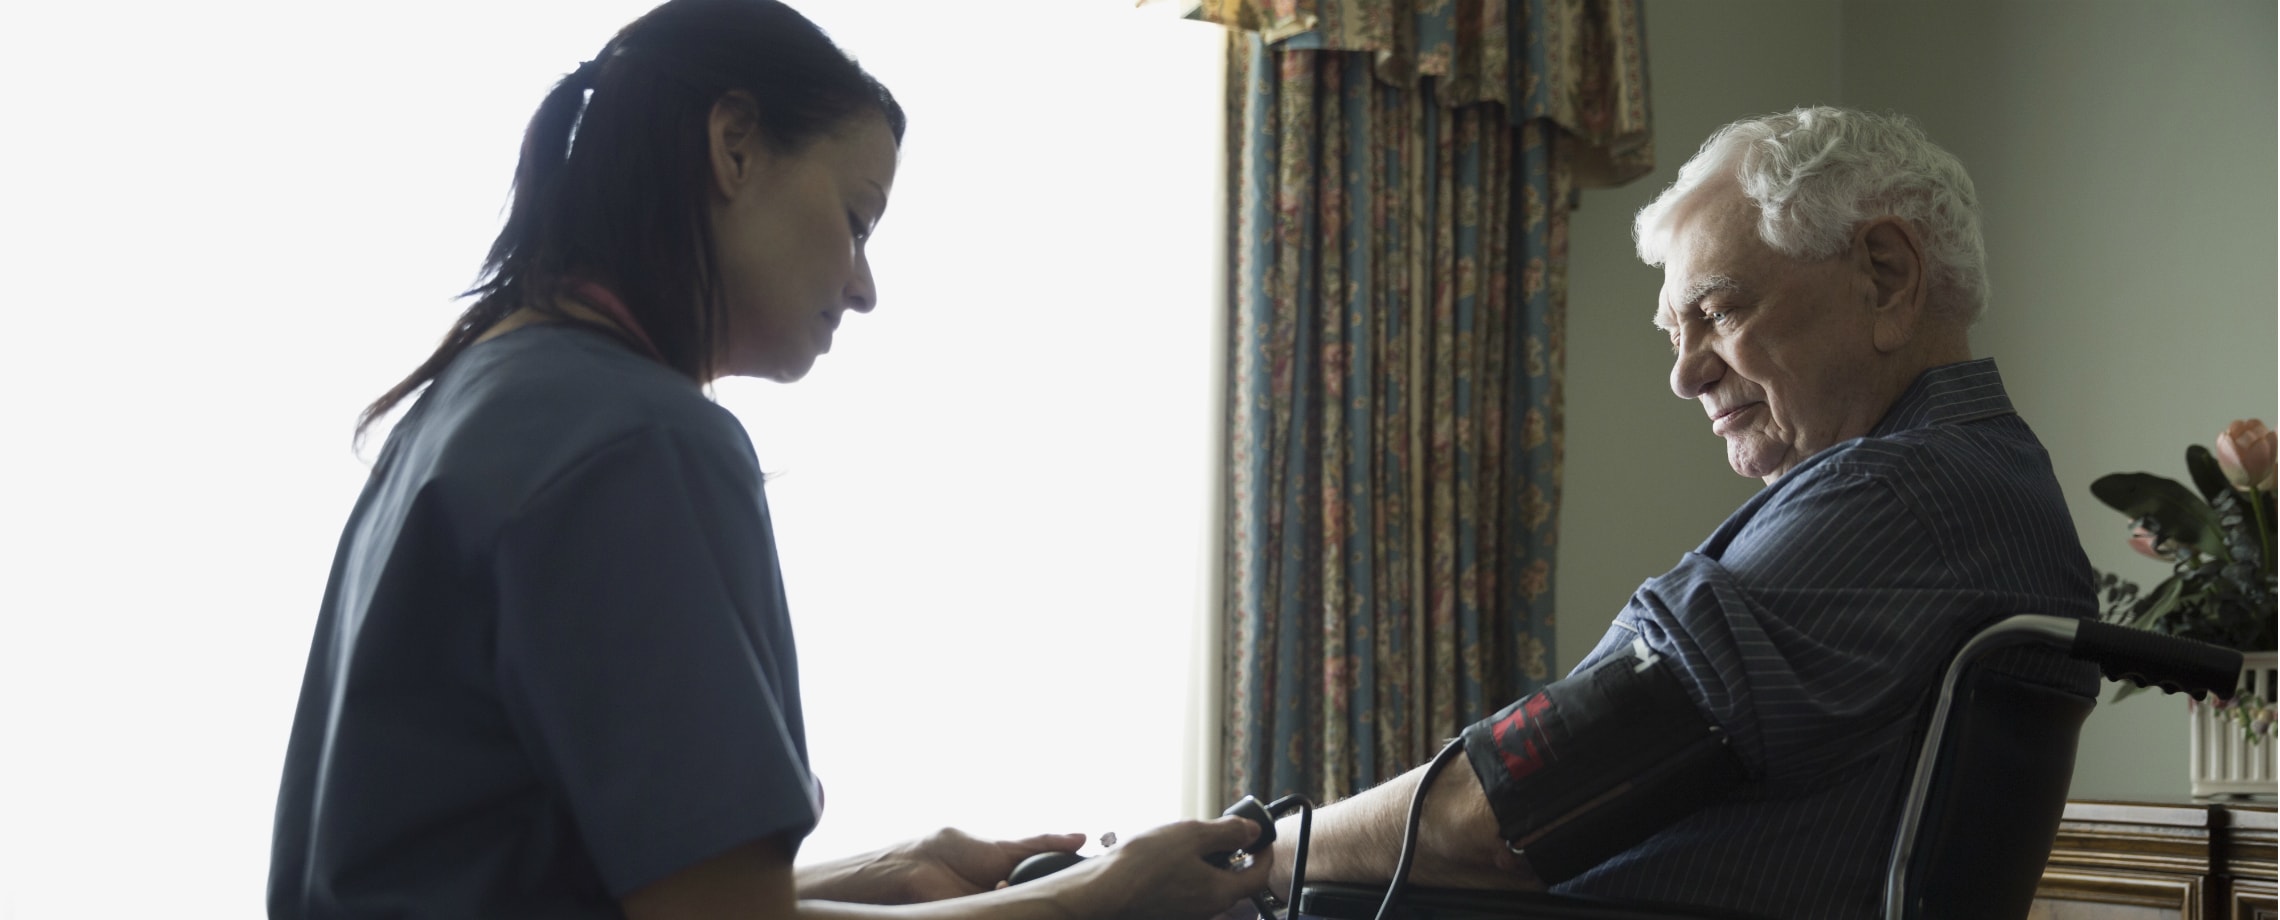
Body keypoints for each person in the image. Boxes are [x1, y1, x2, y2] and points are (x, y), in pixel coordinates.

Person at [265, 2, 1270, 918]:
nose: (865, 284)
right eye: (857, 219)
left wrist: (892, 868)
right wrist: (1102, 900)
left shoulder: (481, 398)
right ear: (735, 145)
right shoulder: (641, 439)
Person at [1266, 106, 2100, 919]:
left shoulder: (1898, 500)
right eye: (1676, 333)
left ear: (1885, 274)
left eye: (1719, 311)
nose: (1685, 375)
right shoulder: (1973, 485)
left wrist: (1249, 859)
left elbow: (1493, 819)